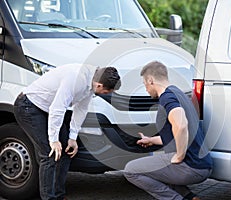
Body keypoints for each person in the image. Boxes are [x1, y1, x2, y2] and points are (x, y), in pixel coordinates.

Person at [13, 64, 121, 200]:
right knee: (49, 153)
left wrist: (72, 138)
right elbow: (58, 108)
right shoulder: (76, 78)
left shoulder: (92, 82)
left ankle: (59, 195)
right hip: (29, 106)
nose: (107, 95)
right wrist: (53, 140)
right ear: (99, 85)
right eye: (107, 92)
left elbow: (81, 109)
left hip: (47, 110)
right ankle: (49, 198)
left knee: (66, 150)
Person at [124, 61, 213, 200]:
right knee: (155, 167)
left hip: (190, 166)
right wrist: (151, 140)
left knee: (131, 170)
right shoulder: (178, 93)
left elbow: (181, 125)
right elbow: (176, 133)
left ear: (150, 80)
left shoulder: (167, 97)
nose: (146, 89)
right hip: (202, 164)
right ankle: (190, 197)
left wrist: (180, 155)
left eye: (144, 84)